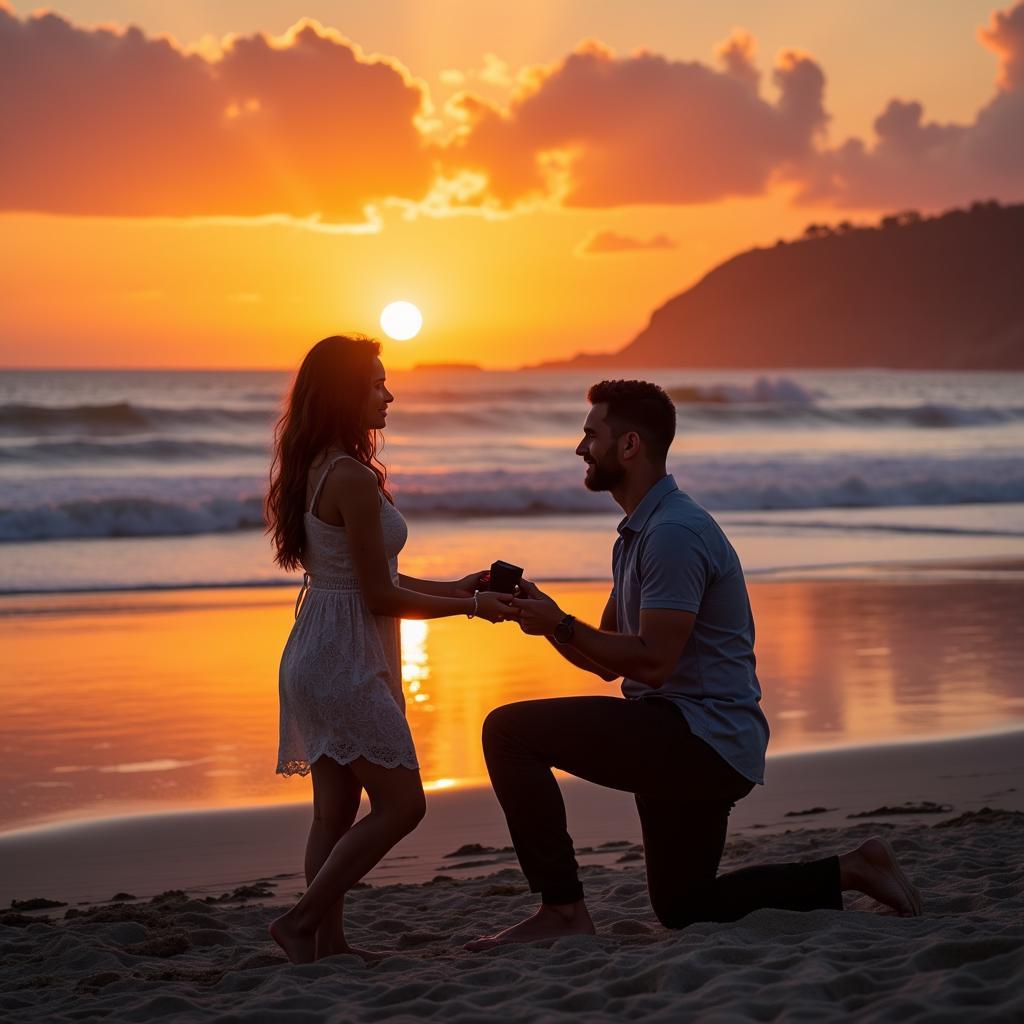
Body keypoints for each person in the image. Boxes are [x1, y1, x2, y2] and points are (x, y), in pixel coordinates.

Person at [467, 379, 922, 949]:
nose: (580, 448)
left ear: (629, 446)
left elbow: (653, 663)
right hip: (690, 734)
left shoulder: (674, 534)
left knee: (507, 732)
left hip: (699, 737)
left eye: (591, 435)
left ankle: (562, 910)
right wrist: (539, 615)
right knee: (685, 907)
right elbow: (607, 658)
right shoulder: (639, 533)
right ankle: (851, 869)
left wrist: (559, 622)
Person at [264, 335, 513, 964]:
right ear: (347, 393)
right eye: (376, 383)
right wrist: (472, 607)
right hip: (344, 660)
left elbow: (367, 578)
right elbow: (378, 596)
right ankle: (301, 922)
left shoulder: (319, 463)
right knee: (403, 805)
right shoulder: (348, 475)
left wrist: (455, 587)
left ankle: (329, 945)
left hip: (316, 650)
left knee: (335, 811)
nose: (388, 393)